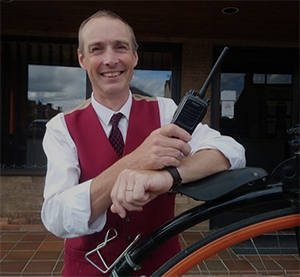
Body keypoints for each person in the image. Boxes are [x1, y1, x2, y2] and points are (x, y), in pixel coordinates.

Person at [41, 10, 246, 277]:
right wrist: (135, 161)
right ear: (82, 59)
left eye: (120, 47)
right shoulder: (61, 127)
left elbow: (232, 152)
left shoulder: (165, 111)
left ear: (135, 55)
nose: (110, 59)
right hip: (89, 268)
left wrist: (170, 176)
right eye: (97, 49)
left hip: (161, 267)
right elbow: (55, 216)